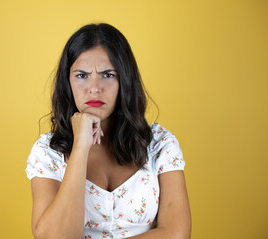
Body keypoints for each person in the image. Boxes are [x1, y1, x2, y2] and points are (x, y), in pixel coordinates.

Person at [25, 23, 191, 239]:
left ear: (125, 80)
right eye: (82, 75)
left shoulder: (159, 144)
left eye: (108, 74)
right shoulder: (48, 151)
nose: (94, 87)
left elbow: (177, 234)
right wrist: (80, 148)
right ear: (68, 83)